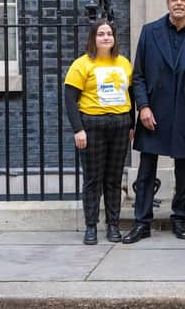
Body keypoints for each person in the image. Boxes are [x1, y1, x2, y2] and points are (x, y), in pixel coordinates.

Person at [123, 0, 185, 244]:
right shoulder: (150, 32)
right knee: (146, 169)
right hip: (155, 110)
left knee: (184, 169)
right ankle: (142, 222)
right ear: (168, 2)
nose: (179, 3)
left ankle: (180, 218)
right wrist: (144, 107)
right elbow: (137, 75)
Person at [64, 19, 134, 245]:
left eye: (109, 34)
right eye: (101, 34)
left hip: (120, 125)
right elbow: (69, 99)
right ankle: (91, 226)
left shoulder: (124, 64)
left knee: (113, 179)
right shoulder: (82, 65)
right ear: (93, 38)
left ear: (114, 38)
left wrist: (131, 124)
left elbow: (131, 96)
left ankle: (113, 225)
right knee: (93, 179)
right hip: (92, 125)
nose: (106, 37)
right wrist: (78, 130)